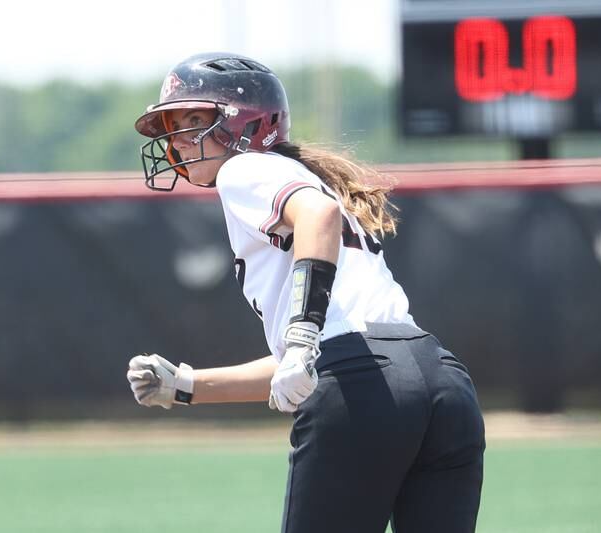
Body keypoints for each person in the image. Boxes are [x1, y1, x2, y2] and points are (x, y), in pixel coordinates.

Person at [127, 52, 485, 533]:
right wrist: (188, 387)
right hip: (442, 383)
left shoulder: (243, 168)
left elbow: (320, 220)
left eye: (195, 119)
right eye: (176, 123)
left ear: (246, 124)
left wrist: (301, 337)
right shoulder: (295, 180)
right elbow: (330, 354)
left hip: (362, 388)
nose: (180, 138)